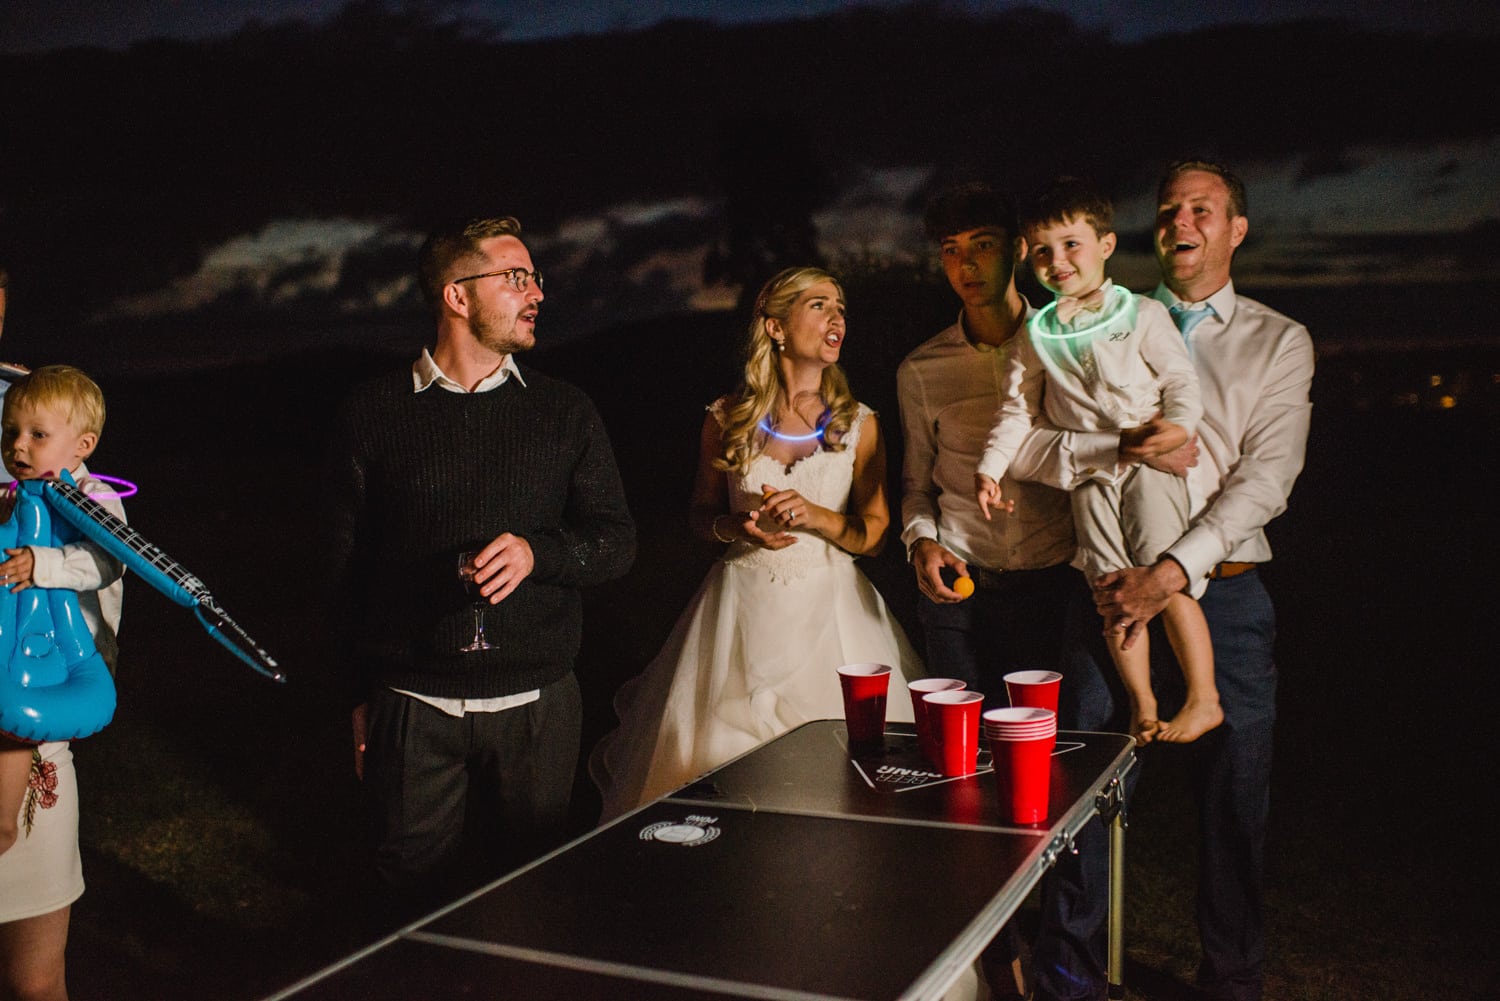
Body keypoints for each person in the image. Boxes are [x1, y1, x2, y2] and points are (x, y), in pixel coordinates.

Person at [1011, 161, 1314, 1001]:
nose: (1181, 221)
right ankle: (1069, 973)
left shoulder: (1277, 339)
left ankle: (1231, 978)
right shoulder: (1102, 319)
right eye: (1170, 208)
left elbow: (1270, 477)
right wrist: (1108, 451)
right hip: (1106, 586)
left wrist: (1175, 569)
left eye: (1203, 209)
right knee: (1085, 785)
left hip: (1229, 590)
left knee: (1232, 802)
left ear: (1235, 228)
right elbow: (1031, 444)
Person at [327, 216, 636, 909]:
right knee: (408, 903)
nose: (536, 294)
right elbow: (343, 569)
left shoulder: (564, 410)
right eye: (515, 277)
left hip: (536, 704)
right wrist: (356, 696)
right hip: (411, 704)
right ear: (457, 295)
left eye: (535, 278)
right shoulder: (372, 412)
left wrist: (539, 553)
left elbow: (616, 539)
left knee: (529, 897)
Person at [592, 267, 922, 820]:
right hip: (738, 613)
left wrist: (816, 516)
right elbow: (700, 514)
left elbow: (874, 535)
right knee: (717, 772)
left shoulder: (859, 424)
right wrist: (734, 528)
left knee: (840, 776)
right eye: (819, 306)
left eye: (840, 307)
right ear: (775, 327)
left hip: (832, 618)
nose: (837, 318)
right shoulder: (728, 419)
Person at [896, 182, 1080, 1000]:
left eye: (979, 243)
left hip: (1056, 586)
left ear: (1015, 249)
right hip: (961, 588)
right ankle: (995, 955)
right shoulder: (922, 368)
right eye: (949, 250)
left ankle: (1066, 955)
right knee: (962, 780)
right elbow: (914, 485)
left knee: (1057, 781)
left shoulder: (1067, 343)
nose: (965, 264)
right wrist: (922, 539)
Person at [975, 177, 1221, 746]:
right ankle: (1144, 704)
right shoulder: (1037, 334)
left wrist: (1177, 428)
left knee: (1168, 575)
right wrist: (991, 466)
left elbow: (1180, 381)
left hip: (1151, 467)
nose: (1056, 261)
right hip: (1087, 475)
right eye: (1042, 250)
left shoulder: (1140, 315)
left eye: (1070, 244)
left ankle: (1203, 696)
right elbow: (1016, 411)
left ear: (1106, 245)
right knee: (1109, 585)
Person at [0, 365, 126, 1001]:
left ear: (82, 445)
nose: (18, 446)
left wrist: (39, 562)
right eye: (10, 432)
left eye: (36, 434)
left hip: (56, 695)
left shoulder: (95, 500)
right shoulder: (12, 499)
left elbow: (108, 557)